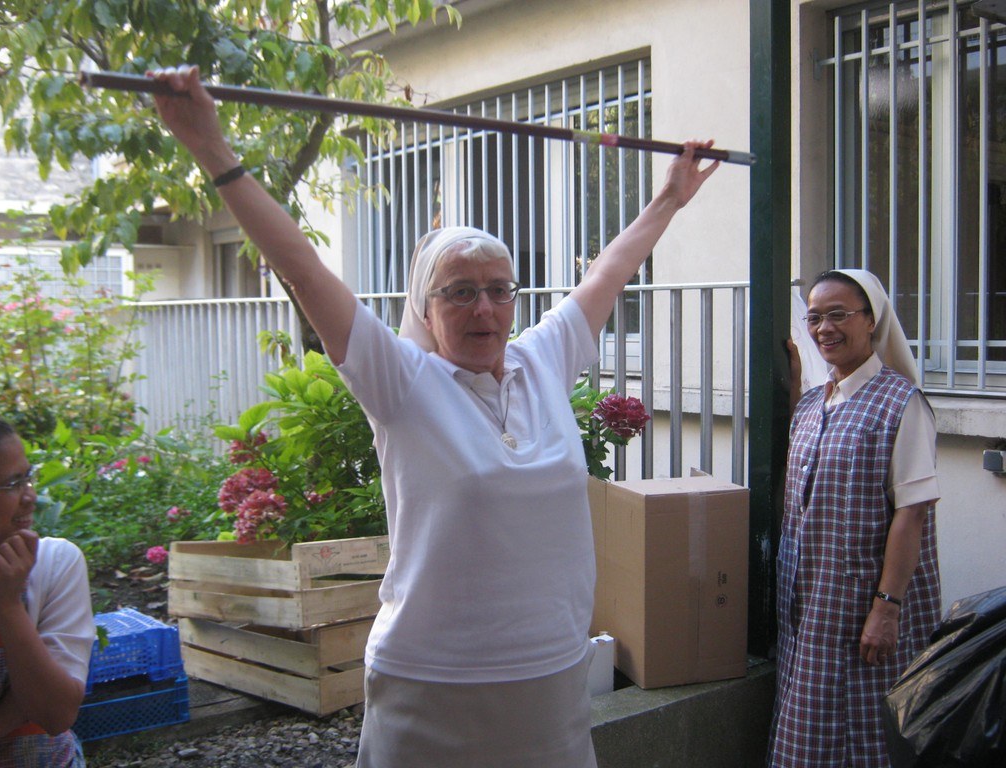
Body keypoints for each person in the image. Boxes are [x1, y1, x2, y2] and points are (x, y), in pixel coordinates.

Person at [149, 64, 718, 767]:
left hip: (549, 672)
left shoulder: (544, 360)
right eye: (459, 292)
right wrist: (212, 148)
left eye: (499, 290)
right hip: (433, 680)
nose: (484, 308)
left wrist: (669, 198)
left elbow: (608, 271)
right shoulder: (402, 382)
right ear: (425, 306)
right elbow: (300, 266)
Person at [770, 270, 942, 768]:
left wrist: (887, 609)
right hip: (811, 604)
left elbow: (912, 512)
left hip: (865, 605)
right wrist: (795, 384)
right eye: (815, 317)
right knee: (810, 722)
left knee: (866, 733)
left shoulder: (902, 403)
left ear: (872, 321)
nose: (825, 328)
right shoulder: (811, 404)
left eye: (839, 315)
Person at [0, 416, 95, 766]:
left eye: (28, 477)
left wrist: (7, 605)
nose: (31, 497)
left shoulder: (54, 563)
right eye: (13, 484)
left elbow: (56, 714)